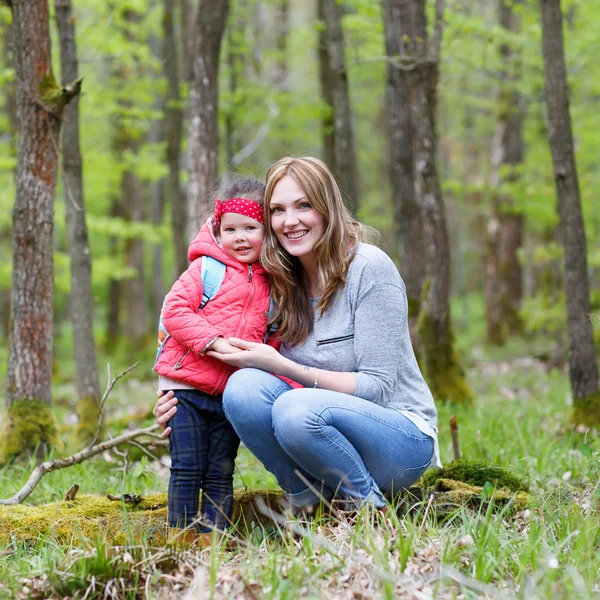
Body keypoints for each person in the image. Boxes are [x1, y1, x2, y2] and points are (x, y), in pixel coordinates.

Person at [155, 157, 440, 516]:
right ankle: (308, 503)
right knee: (242, 387)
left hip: (397, 439)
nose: (290, 221)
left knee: (295, 406)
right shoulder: (277, 279)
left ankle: (367, 510)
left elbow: (378, 388)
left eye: (303, 205)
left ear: (327, 207)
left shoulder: (369, 268)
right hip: (315, 438)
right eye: (277, 210)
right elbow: (182, 315)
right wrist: (177, 395)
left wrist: (283, 366)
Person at [153, 179, 271, 546]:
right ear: (218, 230)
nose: (239, 238)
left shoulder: (275, 282)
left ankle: (214, 541)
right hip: (185, 389)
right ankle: (180, 539)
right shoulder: (207, 268)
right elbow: (174, 311)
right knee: (187, 467)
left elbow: (274, 337)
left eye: (250, 228)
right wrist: (212, 341)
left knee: (220, 472)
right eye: (230, 229)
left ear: (267, 231)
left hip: (230, 394)